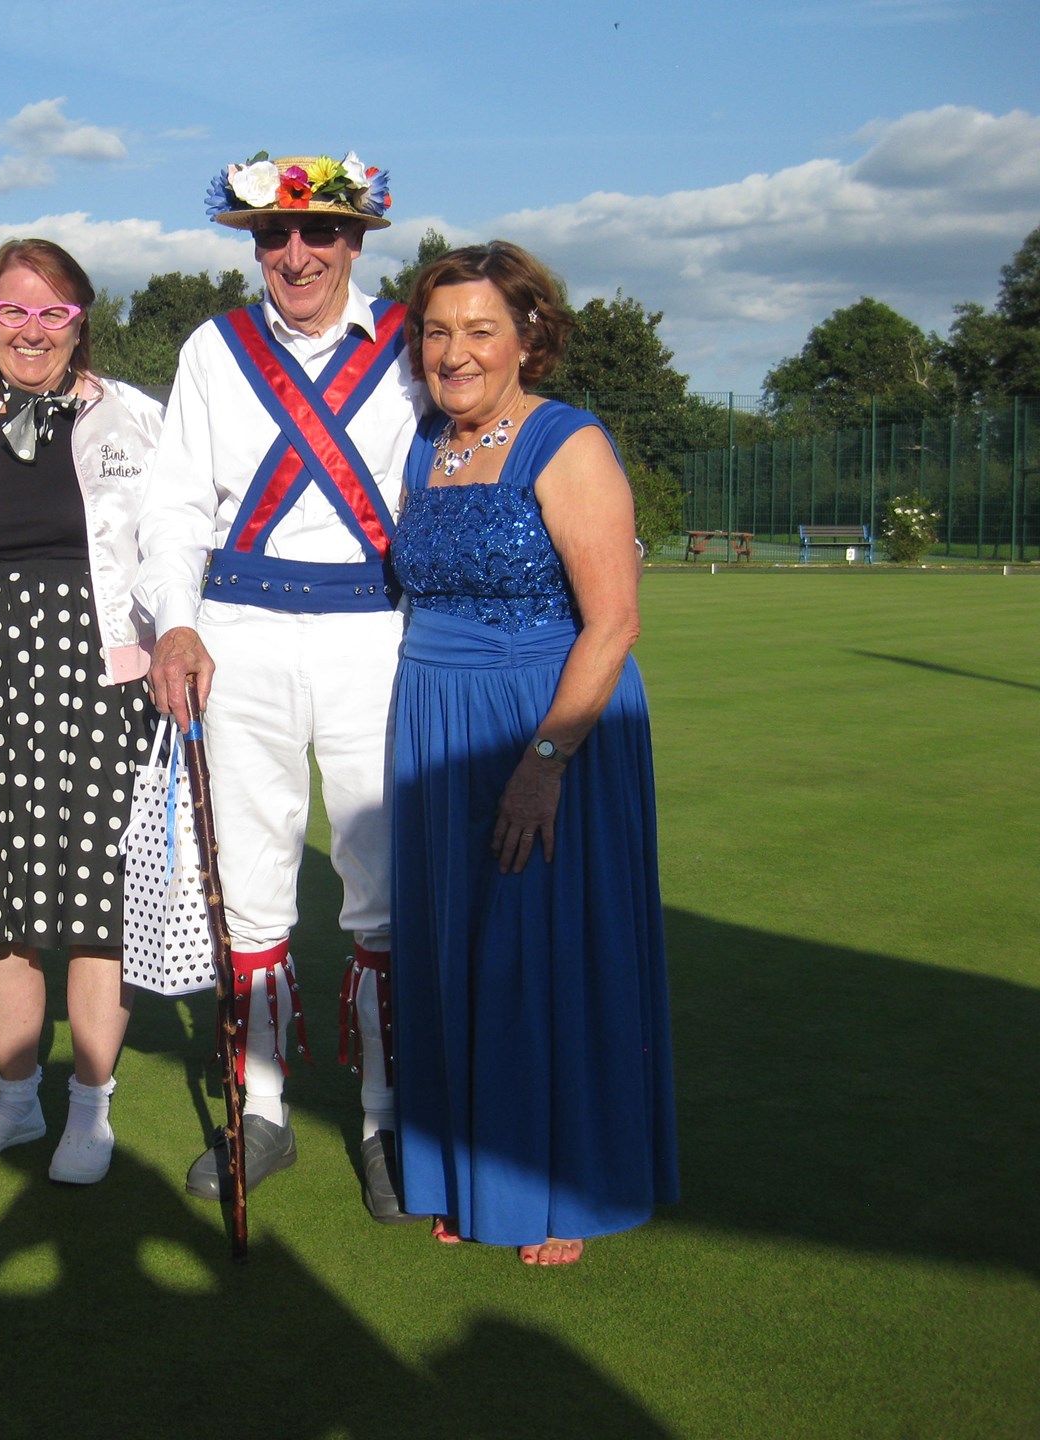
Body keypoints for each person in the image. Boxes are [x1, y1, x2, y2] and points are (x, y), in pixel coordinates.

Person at [136, 153, 424, 1221]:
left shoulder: (409, 344)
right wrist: (173, 621)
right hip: (239, 632)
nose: (293, 254)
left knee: (382, 884)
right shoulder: (215, 347)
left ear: (356, 241)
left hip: (373, 633)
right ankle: (260, 1111)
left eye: (316, 233)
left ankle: (387, 1118)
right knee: (247, 884)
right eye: (271, 236)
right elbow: (171, 505)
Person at [387, 241, 678, 1266]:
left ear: (528, 338)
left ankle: (563, 1190)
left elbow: (613, 624)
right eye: (436, 331)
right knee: (459, 948)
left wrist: (546, 759)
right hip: (433, 721)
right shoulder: (428, 446)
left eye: (479, 331)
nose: (453, 352)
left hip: (544, 719)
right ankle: (473, 1174)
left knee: (536, 953)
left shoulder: (570, 443)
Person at [0, 239, 163, 1185]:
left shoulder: (135, 416)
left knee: (98, 898)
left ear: (81, 321)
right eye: (13, 311)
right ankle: (17, 1101)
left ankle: (89, 1113)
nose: (31, 330)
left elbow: (180, 539)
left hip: (98, 676)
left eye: (53, 313)